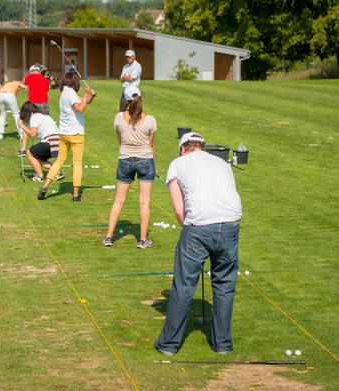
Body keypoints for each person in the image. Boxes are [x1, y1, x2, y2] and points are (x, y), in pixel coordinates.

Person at [154, 132, 242, 356]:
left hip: (199, 226)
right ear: (202, 147)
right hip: (231, 223)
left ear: (183, 149)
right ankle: (222, 344)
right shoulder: (222, 163)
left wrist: (190, 232)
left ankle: (169, 345)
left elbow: (179, 210)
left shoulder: (178, 163)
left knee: (184, 285)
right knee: (224, 286)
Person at [103, 86, 156, 249]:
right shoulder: (150, 120)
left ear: (125, 101)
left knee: (118, 201)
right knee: (144, 202)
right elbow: (150, 144)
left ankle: (108, 237)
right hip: (145, 160)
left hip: (125, 159)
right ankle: (142, 240)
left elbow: (120, 140)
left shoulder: (118, 118)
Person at [37, 72, 95, 202]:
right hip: (76, 134)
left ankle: (45, 187)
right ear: (74, 82)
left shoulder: (65, 92)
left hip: (64, 134)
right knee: (77, 164)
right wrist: (86, 95)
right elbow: (80, 108)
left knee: (59, 161)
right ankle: (75, 195)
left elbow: (84, 101)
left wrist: (91, 95)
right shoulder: (70, 93)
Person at [16, 101, 63, 182]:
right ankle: (57, 173)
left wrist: (21, 125)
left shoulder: (34, 117)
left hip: (50, 141)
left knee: (29, 153)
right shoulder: (44, 115)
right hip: (59, 142)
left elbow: (32, 134)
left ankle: (40, 176)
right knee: (38, 158)